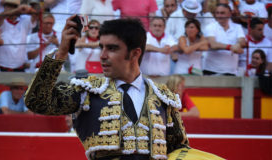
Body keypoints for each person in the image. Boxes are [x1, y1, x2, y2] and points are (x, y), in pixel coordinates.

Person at [25, 16, 224, 160]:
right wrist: (60, 52)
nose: (102, 55)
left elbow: (178, 149)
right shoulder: (86, 91)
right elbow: (37, 101)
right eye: (101, 47)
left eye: (112, 48)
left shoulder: (164, 97)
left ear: (135, 53)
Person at [203, 3, 246, 76]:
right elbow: (213, 44)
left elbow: (242, 41)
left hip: (231, 71)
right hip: (211, 70)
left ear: (229, 14)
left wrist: (238, 45)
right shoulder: (210, 27)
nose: (219, 15)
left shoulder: (237, 27)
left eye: (222, 13)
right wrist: (231, 47)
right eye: (217, 13)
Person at [0, 0, 37, 71]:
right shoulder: (1, 20)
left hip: (19, 66)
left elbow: (36, 15)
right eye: (9, 6)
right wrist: (18, 10)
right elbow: (0, 17)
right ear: (4, 7)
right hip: (1, 65)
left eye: (14, 6)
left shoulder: (24, 20)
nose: (11, 8)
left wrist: (29, 9)